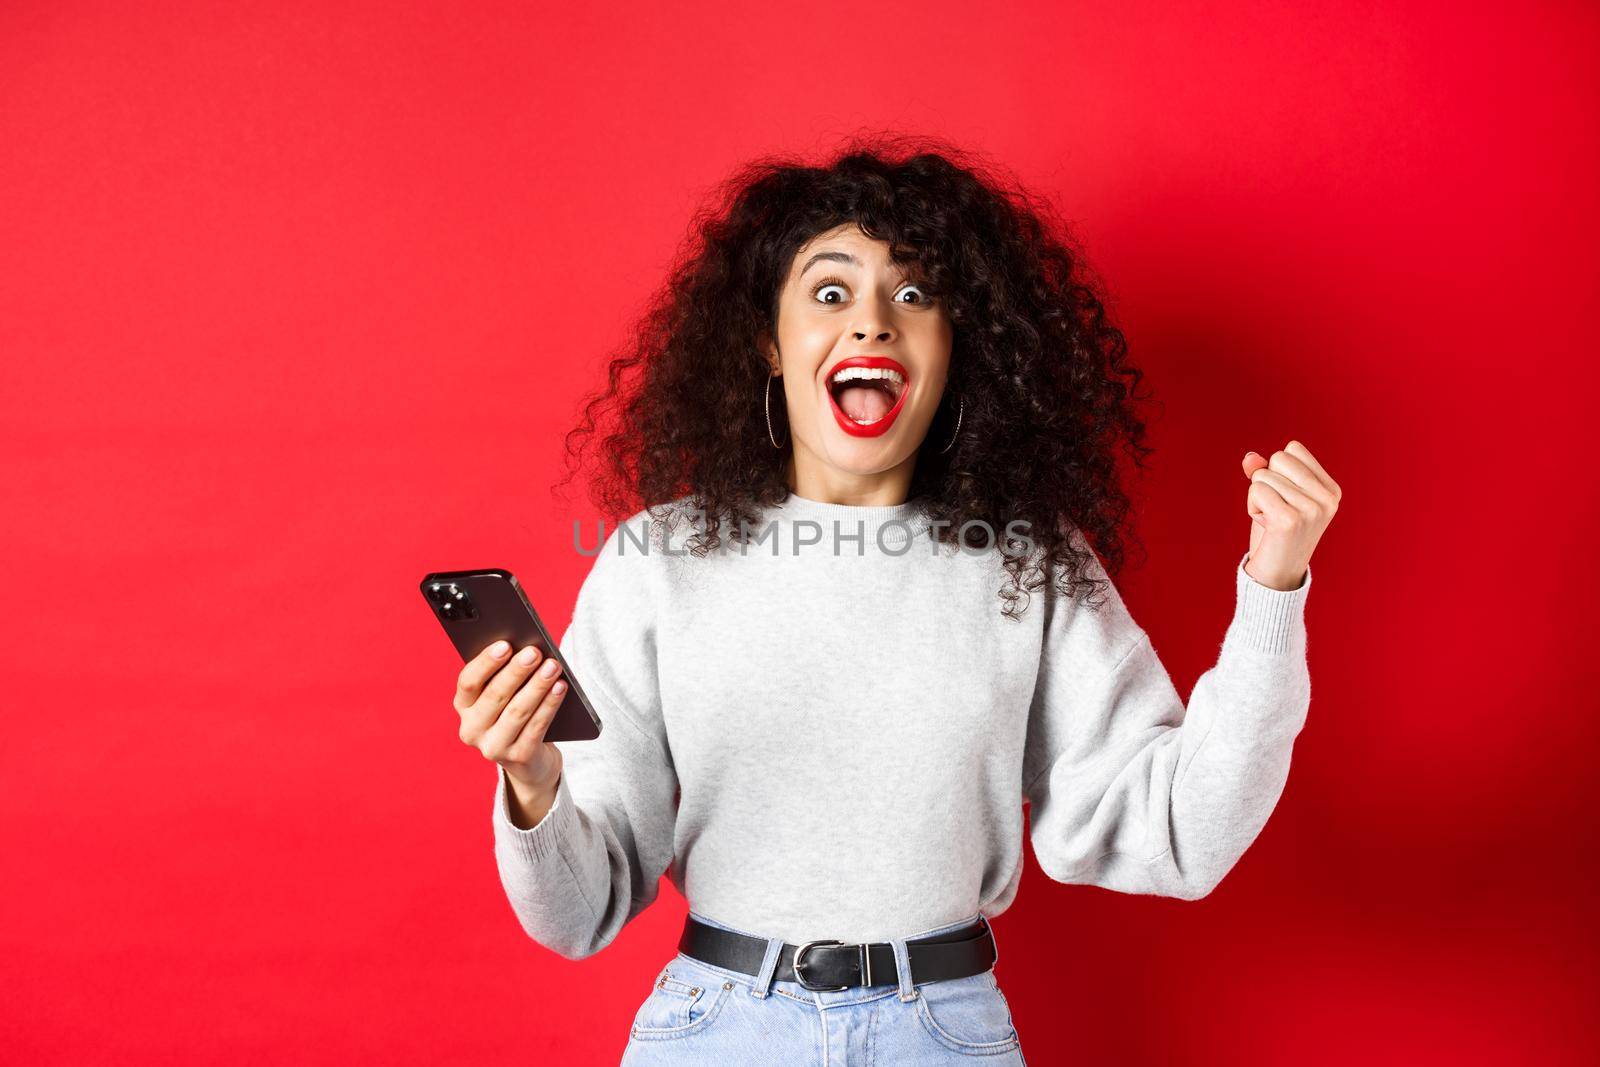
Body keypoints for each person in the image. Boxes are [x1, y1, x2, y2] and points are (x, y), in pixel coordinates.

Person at [450, 135, 1340, 1065]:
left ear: (958, 345)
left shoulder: (1024, 564)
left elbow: (1179, 831)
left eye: (914, 294)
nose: (873, 323)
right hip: (717, 1034)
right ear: (770, 339)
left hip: (945, 1035)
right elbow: (575, 912)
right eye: (830, 293)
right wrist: (533, 785)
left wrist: (1272, 588)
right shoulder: (656, 560)